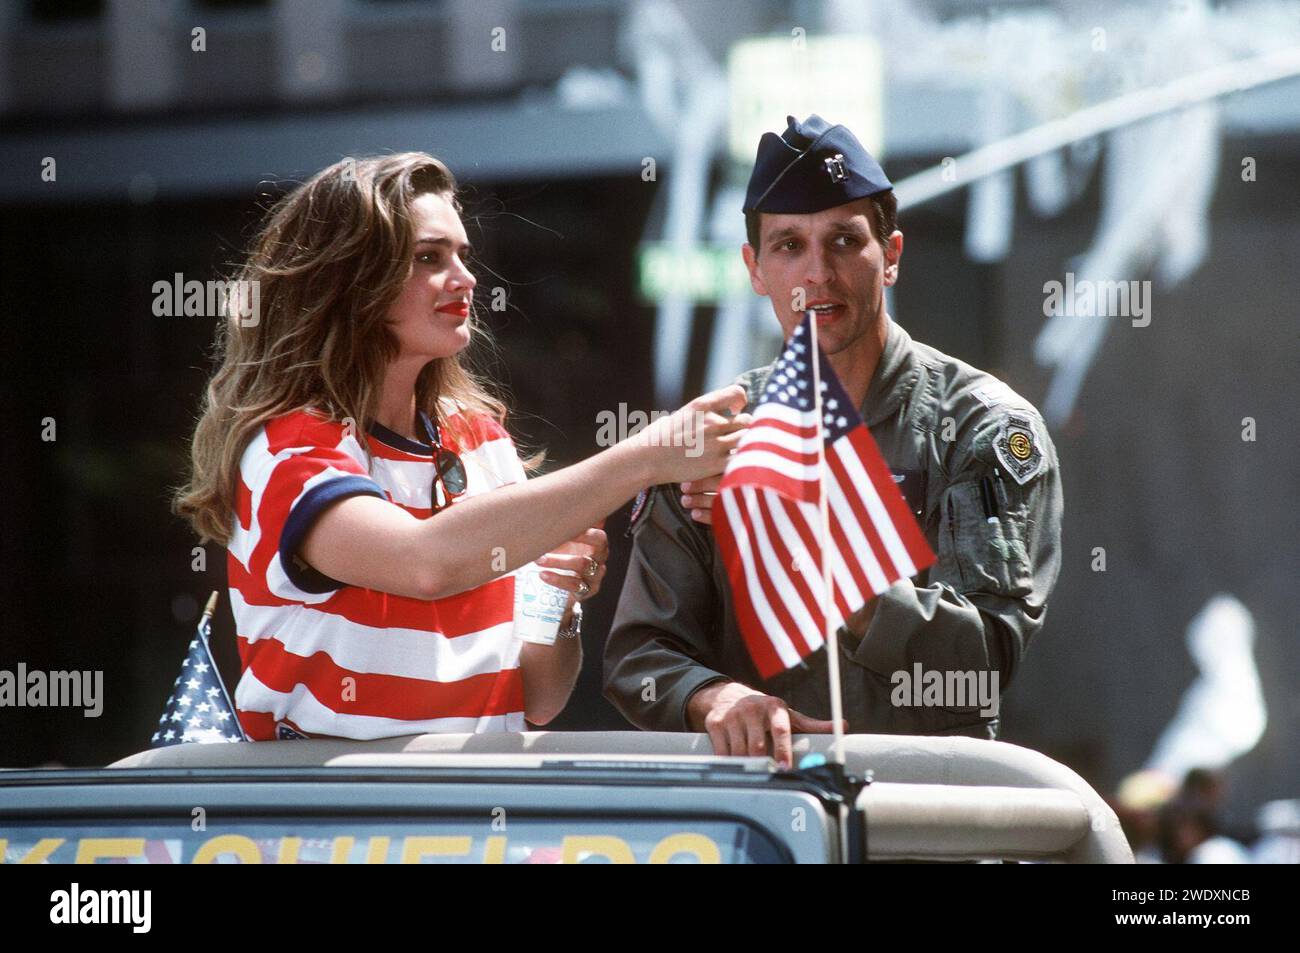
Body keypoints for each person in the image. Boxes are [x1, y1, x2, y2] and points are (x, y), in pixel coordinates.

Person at [174, 152, 748, 741]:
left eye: (462, 256)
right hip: (339, 823)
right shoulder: (291, 446)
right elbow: (426, 563)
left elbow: (542, 697)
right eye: (429, 258)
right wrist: (648, 455)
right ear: (348, 280)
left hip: (477, 818)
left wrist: (556, 601)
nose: (466, 278)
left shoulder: (480, 437)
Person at [604, 115, 1064, 768]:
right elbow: (639, 653)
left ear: (893, 254)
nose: (817, 272)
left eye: (844, 240)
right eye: (789, 245)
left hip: (927, 817)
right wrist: (712, 697)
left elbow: (984, 659)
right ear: (754, 269)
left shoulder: (984, 427)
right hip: (767, 820)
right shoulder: (715, 435)